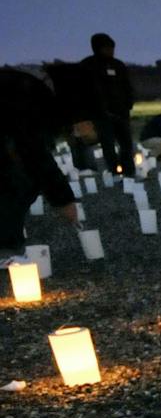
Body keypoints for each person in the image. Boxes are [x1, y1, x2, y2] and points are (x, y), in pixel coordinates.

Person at [1, 68, 76, 257]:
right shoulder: (28, 97)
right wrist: (63, 199)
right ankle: (7, 247)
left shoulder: (17, 84)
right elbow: (34, 152)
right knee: (20, 183)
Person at [73, 34, 136, 178]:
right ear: (98, 48)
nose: (111, 51)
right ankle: (115, 172)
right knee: (108, 145)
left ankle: (129, 171)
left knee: (126, 143)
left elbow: (127, 86)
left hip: (121, 112)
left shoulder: (118, 65)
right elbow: (82, 91)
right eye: (107, 48)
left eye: (112, 48)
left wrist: (129, 104)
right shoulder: (87, 66)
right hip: (100, 115)